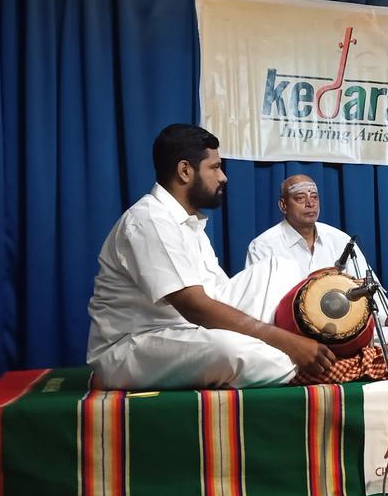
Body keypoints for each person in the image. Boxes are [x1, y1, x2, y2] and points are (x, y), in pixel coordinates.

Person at [87, 124, 335, 390]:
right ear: (185, 171)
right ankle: (311, 363)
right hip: (137, 344)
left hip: (192, 330)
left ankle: (308, 353)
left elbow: (220, 297)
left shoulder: (189, 224)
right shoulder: (148, 220)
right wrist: (285, 340)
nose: (223, 177)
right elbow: (195, 306)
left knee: (281, 267)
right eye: (215, 167)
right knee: (232, 351)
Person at [245, 174, 388, 340]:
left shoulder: (340, 240)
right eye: (300, 198)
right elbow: (262, 308)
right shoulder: (263, 246)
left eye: (314, 197)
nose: (310, 203)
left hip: (343, 330)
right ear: (283, 205)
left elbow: (370, 289)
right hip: (293, 333)